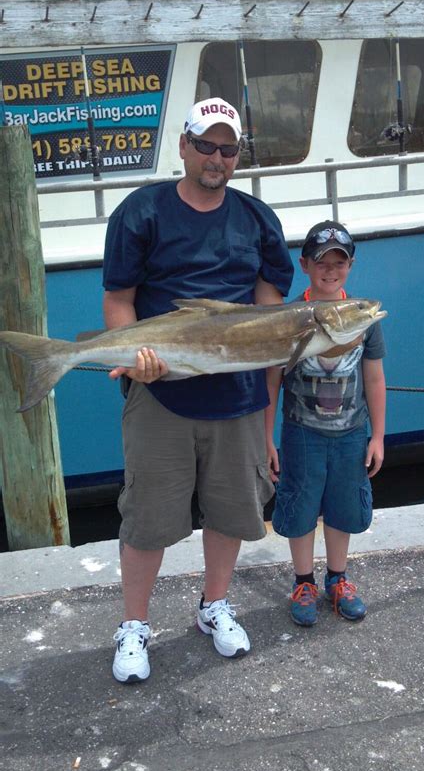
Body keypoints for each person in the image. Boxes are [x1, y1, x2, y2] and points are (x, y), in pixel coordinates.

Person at [102, 97, 294, 683]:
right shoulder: (142, 212)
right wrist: (134, 360)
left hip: (236, 399)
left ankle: (214, 607)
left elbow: (271, 312)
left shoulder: (258, 220)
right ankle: (134, 625)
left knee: (233, 512)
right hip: (161, 393)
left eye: (228, 148)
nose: (216, 157)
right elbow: (119, 300)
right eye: (205, 145)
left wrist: (271, 404)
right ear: (183, 146)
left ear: (237, 156)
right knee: (148, 519)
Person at [265, 220, 386, 627]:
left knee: (343, 505)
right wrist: (267, 438)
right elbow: (273, 381)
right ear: (305, 265)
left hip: (352, 433)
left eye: (340, 262)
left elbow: (374, 377)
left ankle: (338, 577)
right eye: (322, 261)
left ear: (350, 266)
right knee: (299, 506)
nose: (330, 270)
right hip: (301, 432)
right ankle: (303, 582)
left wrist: (379, 437)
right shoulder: (290, 316)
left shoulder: (365, 319)